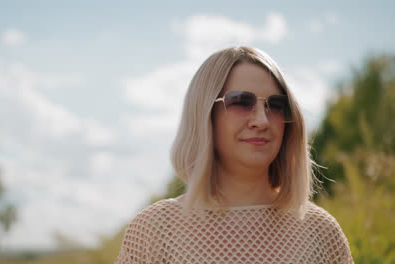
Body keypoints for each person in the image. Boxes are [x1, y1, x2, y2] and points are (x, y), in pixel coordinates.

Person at [115, 46, 353, 263]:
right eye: (241, 102)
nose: (261, 120)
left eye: (277, 105)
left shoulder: (320, 232)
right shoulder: (155, 229)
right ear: (205, 114)